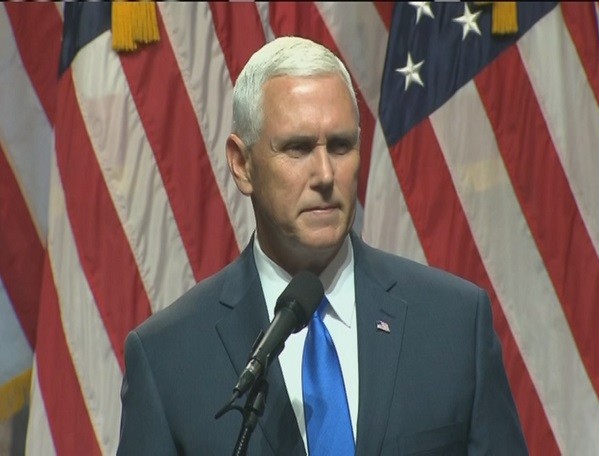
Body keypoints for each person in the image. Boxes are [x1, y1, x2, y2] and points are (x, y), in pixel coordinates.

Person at [118, 36, 528, 455]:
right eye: (297, 148)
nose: (325, 174)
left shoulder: (453, 324)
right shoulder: (167, 357)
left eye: (340, 145)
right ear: (242, 165)